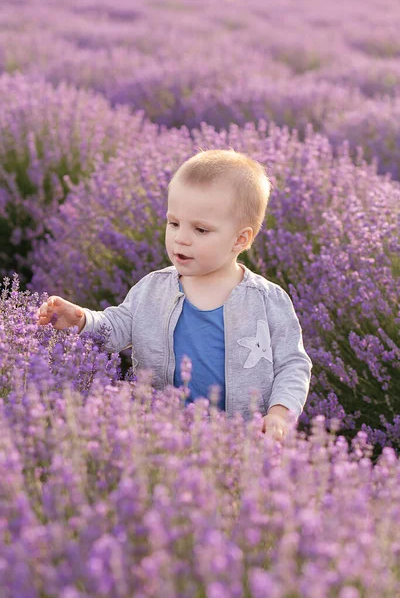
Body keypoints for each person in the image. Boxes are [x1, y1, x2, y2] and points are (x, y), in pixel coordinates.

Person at [37, 148, 312, 441]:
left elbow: (292, 364)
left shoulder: (268, 300)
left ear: (240, 239)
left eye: (201, 230)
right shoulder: (153, 289)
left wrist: (280, 413)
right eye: (174, 223)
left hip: (242, 441)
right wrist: (80, 319)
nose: (181, 237)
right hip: (162, 437)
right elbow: (117, 327)